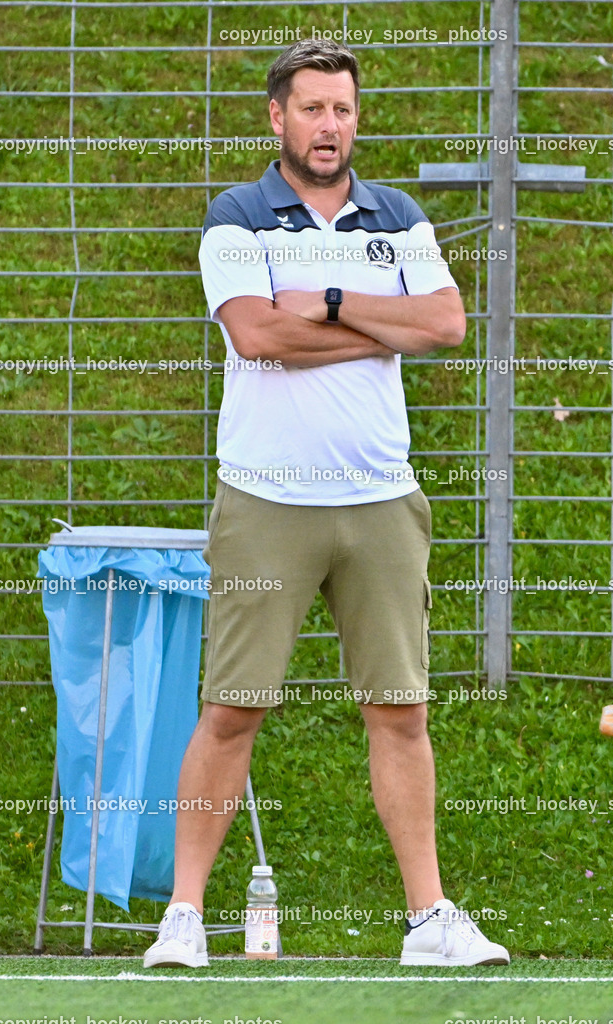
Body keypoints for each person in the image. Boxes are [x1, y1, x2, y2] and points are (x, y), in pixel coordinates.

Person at [144, 38, 509, 969]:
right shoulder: (235, 217)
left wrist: (333, 299)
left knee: (399, 711)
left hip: (383, 503)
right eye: (310, 109)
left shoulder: (395, 216)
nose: (328, 126)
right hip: (264, 501)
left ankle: (430, 922)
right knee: (231, 709)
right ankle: (184, 919)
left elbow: (444, 323)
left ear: (355, 117)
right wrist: (373, 329)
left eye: (342, 110)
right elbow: (258, 335)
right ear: (277, 117)